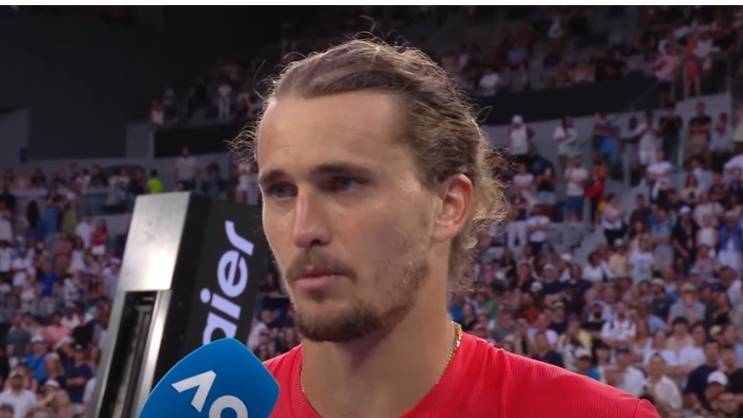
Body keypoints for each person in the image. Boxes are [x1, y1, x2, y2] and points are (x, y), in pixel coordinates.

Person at [237, 39, 660, 418]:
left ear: (448, 205)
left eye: (344, 184)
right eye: (280, 191)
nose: (304, 229)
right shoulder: (220, 409)